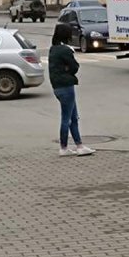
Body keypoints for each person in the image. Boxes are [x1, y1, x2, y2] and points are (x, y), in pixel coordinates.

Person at [49, 23, 95, 157]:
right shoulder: (65, 50)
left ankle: (79, 146)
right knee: (66, 118)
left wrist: (66, 68)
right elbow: (75, 67)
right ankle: (63, 148)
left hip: (57, 87)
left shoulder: (53, 49)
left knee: (73, 117)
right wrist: (68, 69)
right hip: (66, 87)